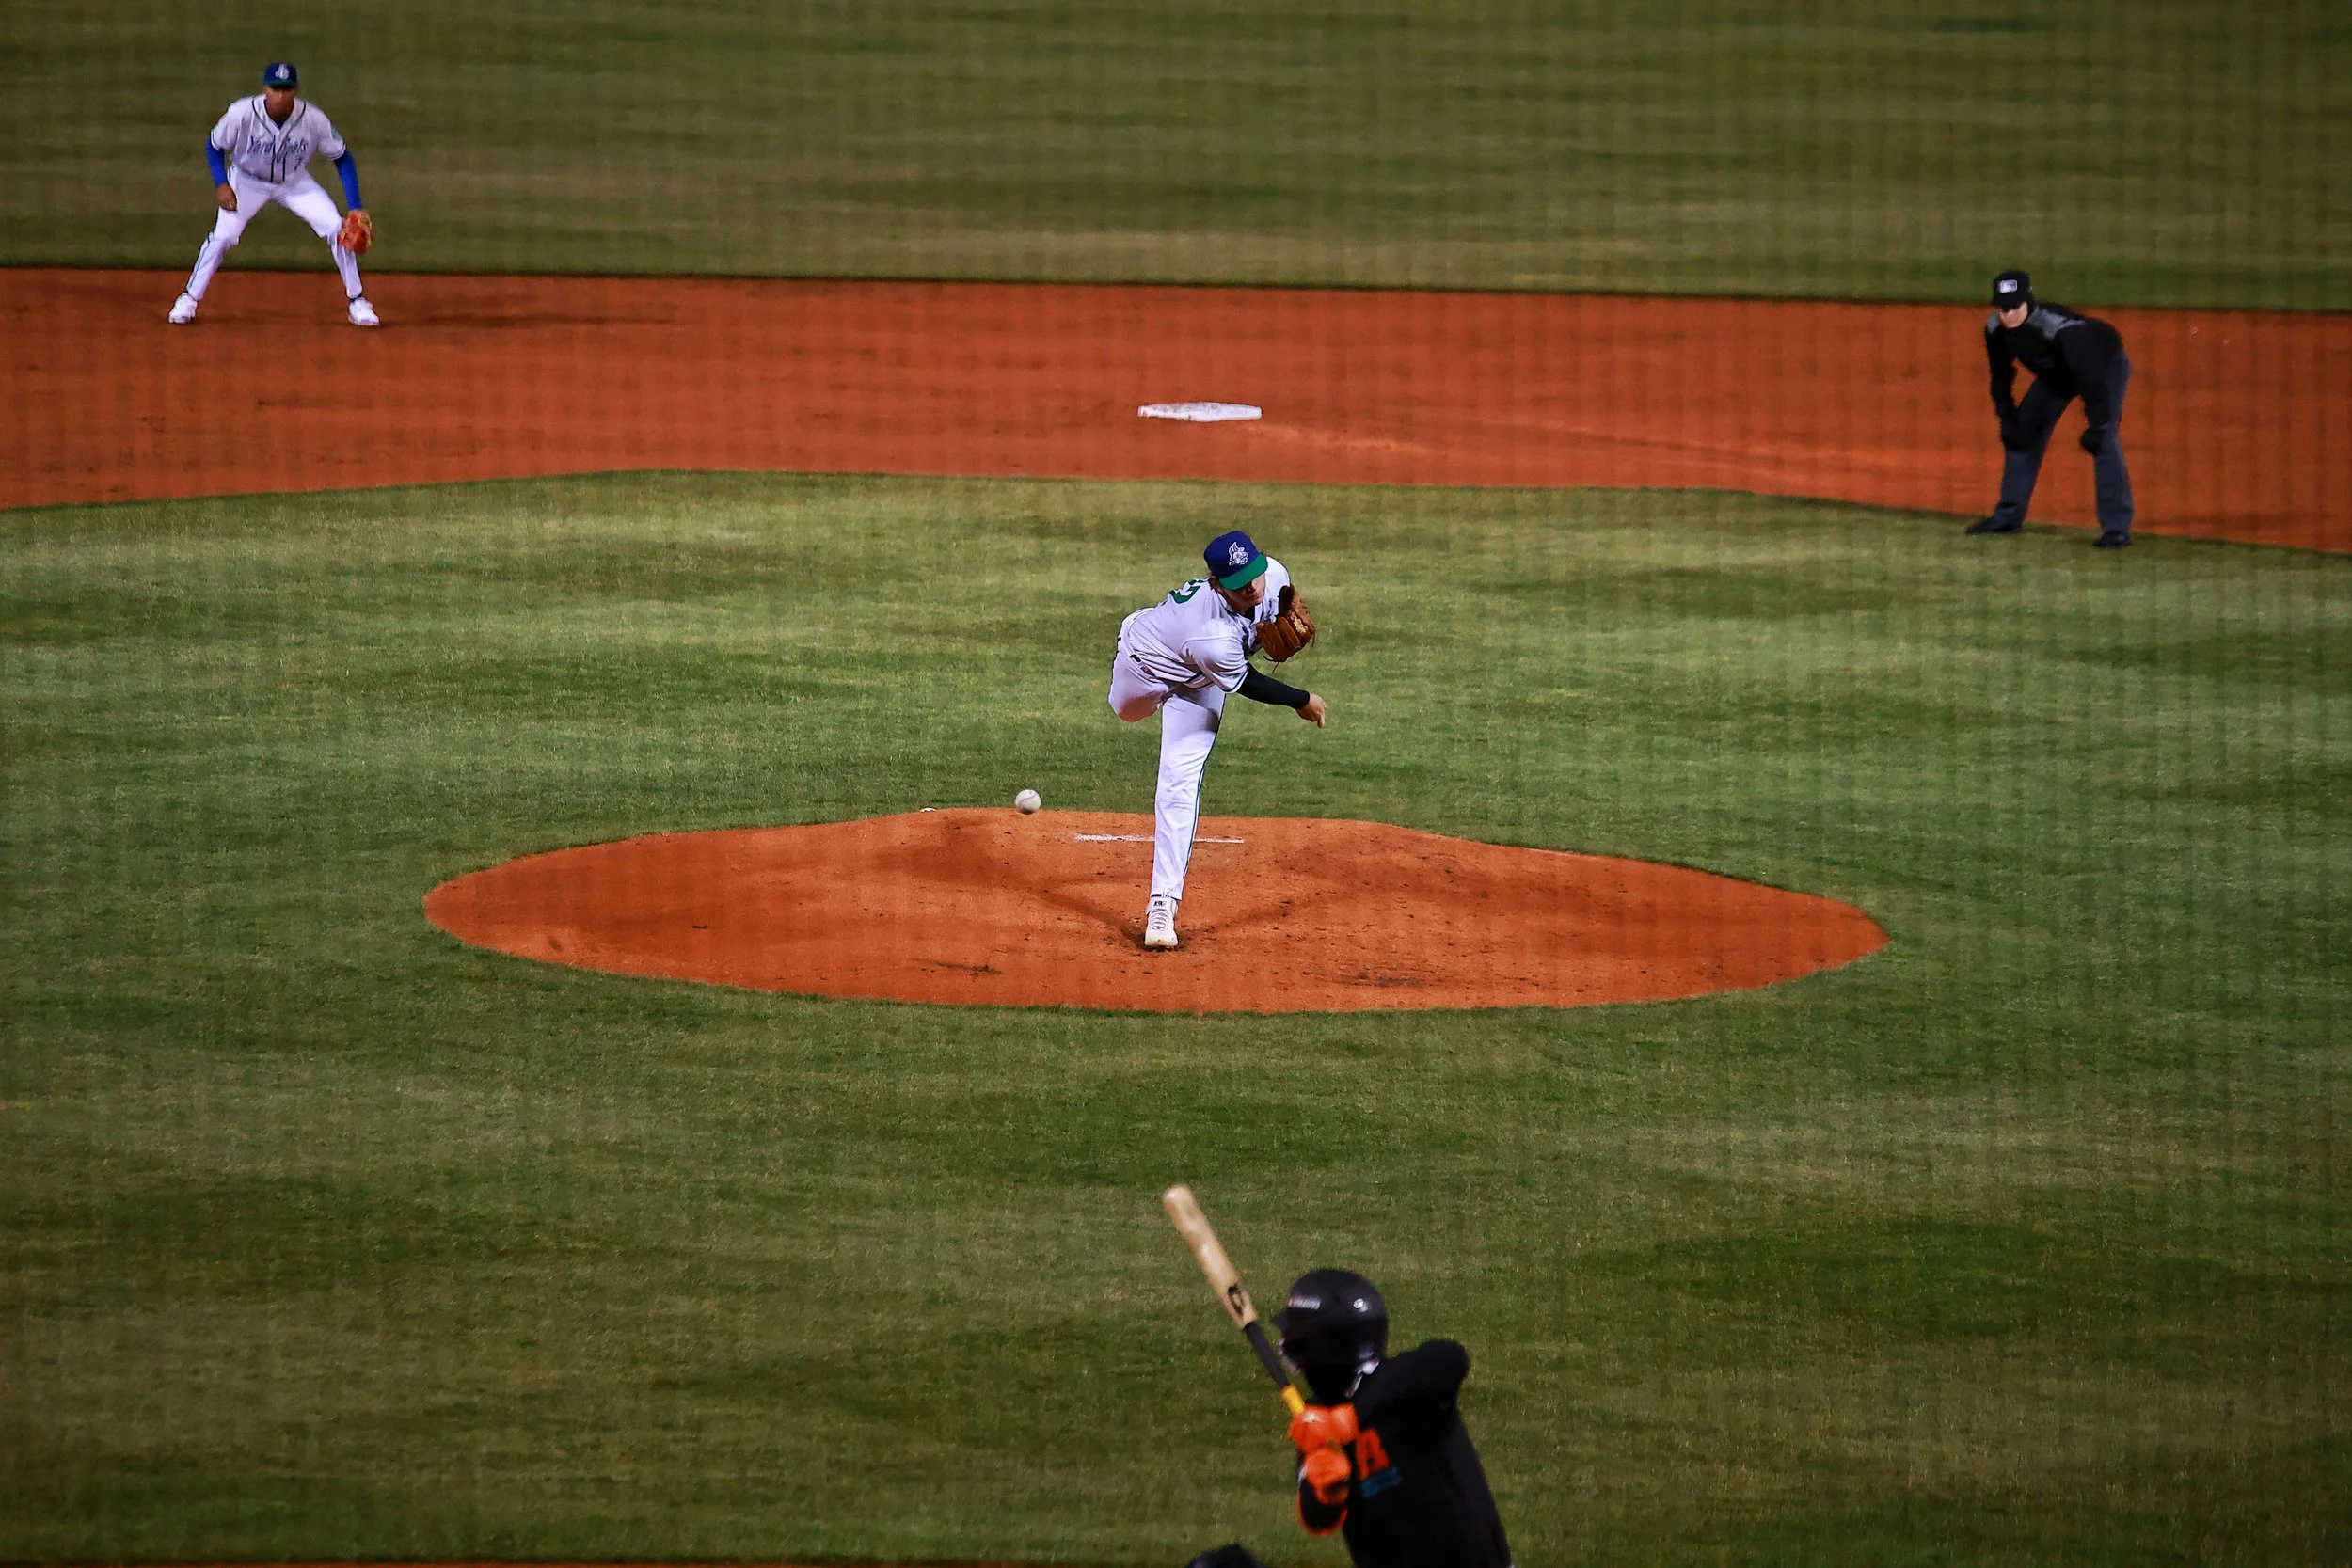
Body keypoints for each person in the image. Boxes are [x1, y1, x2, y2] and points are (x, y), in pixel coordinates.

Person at [1107, 531, 1327, 951]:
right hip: (1146, 666)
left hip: (1201, 683)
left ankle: (1162, 904)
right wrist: (1303, 700)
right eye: (1239, 580)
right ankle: (1138, 628)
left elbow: (1254, 636)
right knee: (1128, 713)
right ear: (1215, 583)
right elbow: (1248, 682)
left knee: (1178, 782)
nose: (1252, 586)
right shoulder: (1209, 635)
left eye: (1255, 573)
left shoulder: (1274, 578)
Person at [1278, 1269, 1514, 1568]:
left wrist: (1349, 1419)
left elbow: (1450, 1357)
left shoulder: (1407, 1388)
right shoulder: (1316, 1422)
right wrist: (1326, 1492)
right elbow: (1316, 1518)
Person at [169, 63, 378, 328]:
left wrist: (355, 206)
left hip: (294, 182)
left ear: (296, 90)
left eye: (286, 89)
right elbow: (214, 146)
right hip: (247, 181)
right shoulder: (241, 113)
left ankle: (357, 301)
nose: (280, 95)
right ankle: (189, 298)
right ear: (264, 89)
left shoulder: (313, 119)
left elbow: (342, 157)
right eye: (275, 89)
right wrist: (221, 183)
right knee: (223, 236)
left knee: (338, 229)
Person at [1967, 269, 2132, 547]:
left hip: (2103, 367)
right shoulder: (1995, 329)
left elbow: (2091, 379)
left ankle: (2116, 528)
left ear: (2028, 301)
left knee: (2103, 439)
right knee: (2021, 436)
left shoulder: (2062, 329)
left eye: (2014, 307)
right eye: (2002, 307)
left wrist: (2099, 423)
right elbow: (2001, 375)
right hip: (2056, 377)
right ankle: (2007, 518)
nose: (2008, 314)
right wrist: (2007, 415)